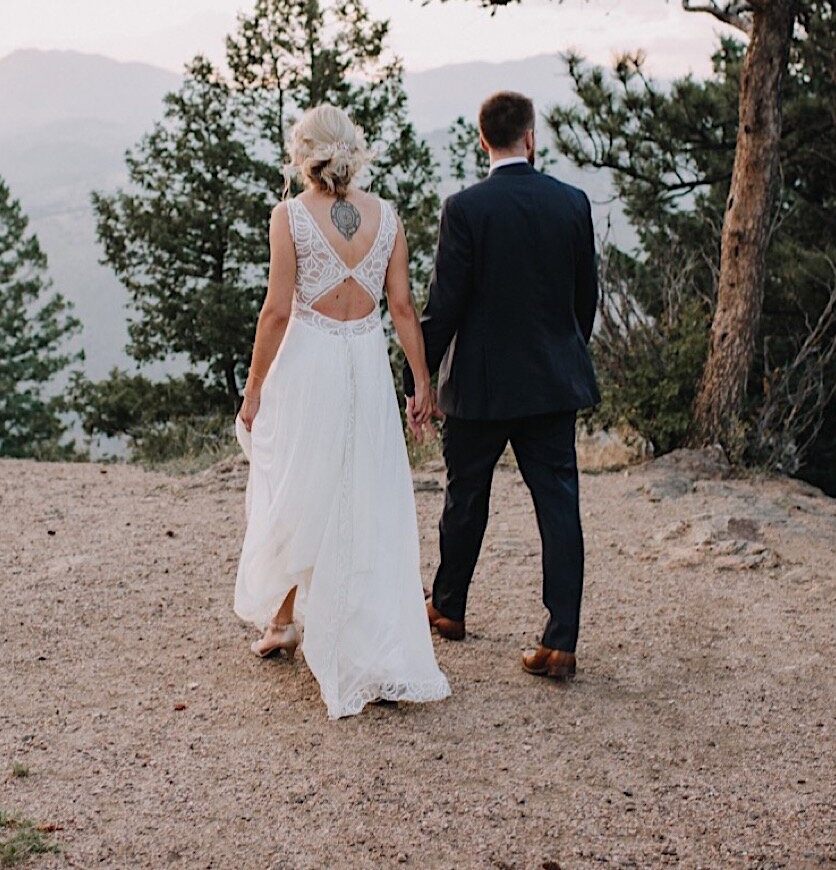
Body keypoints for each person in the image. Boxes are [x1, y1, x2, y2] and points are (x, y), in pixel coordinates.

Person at [232, 104, 451, 719]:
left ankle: (283, 622)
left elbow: (276, 312)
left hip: (310, 366)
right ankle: (350, 632)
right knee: (365, 494)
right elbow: (403, 308)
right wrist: (421, 383)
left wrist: (253, 390)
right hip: (364, 365)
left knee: (298, 484)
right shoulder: (386, 217)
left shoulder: (291, 217)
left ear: (305, 154)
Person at [410, 90, 599, 680]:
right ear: (531, 137)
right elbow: (583, 299)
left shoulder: (465, 208)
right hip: (550, 382)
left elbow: (445, 305)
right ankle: (561, 638)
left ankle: (448, 608)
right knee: (558, 506)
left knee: (466, 497)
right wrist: (565, 354)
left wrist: (418, 380)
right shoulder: (572, 203)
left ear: (482, 140)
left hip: (481, 388)